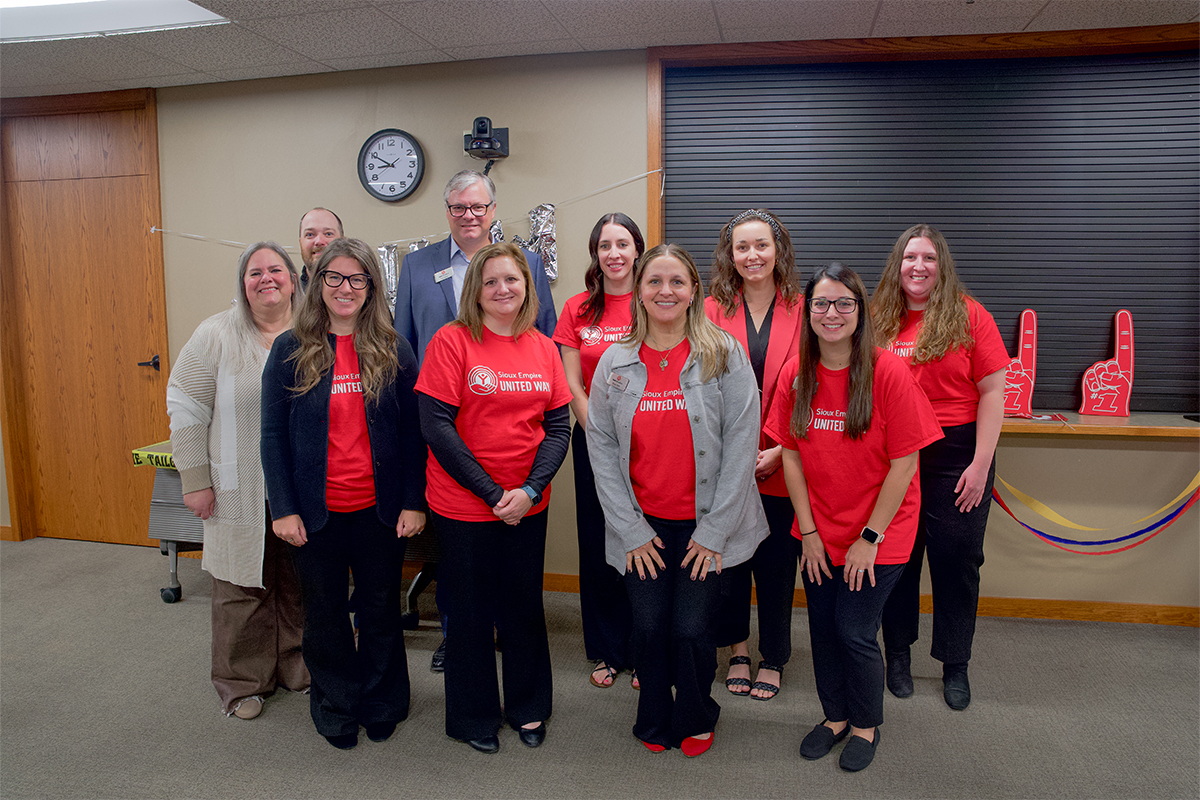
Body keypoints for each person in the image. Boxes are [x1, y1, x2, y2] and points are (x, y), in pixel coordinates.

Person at [587, 244, 768, 757]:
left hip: (707, 526)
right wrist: (630, 528)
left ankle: (695, 713)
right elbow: (600, 445)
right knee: (646, 627)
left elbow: (742, 444)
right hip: (643, 526)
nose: (665, 291)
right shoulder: (615, 363)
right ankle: (654, 715)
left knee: (691, 631)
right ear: (639, 293)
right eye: (654, 282)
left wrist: (713, 533)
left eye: (677, 282)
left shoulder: (723, 354)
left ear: (694, 292)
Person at [763, 263, 941, 772]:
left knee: (853, 628)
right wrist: (810, 534)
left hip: (880, 531)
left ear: (860, 311)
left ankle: (866, 725)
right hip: (821, 528)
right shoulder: (797, 375)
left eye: (844, 303)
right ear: (808, 312)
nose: (832, 313)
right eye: (821, 303)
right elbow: (790, 454)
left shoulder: (887, 373)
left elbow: (906, 462)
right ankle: (835, 716)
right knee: (821, 624)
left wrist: (869, 538)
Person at [261, 238, 427, 751]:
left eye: (357, 279)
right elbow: (271, 436)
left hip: (379, 512)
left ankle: (382, 701)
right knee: (325, 612)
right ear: (317, 283)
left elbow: (413, 434)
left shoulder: (394, 349)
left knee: (380, 609)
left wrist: (414, 500)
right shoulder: (290, 349)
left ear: (371, 287)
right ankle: (335, 704)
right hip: (315, 514)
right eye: (334, 277)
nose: (345, 288)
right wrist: (283, 508)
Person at [393, 169, 558, 672]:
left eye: (479, 207)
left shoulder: (526, 261)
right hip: (441, 427)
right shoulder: (417, 265)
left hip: (514, 433)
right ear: (446, 211)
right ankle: (457, 635)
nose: (470, 216)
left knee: (516, 578)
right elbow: (402, 342)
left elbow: (543, 334)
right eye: (459, 207)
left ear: (493, 211)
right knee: (459, 563)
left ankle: (508, 635)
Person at [415, 242, 572, 755]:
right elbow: (436, 426)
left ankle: (529, 707)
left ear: (528, 286)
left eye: (513, 279)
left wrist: (529, 490)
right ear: (475, 291)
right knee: (470, 611)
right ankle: (472, 715)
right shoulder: (452, 341)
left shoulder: (543, 348)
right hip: (463, 506)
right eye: (491, 281)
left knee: (524, 607)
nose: (503, 289)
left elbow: (557, 426)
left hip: (527, 506)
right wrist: (490, 492)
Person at [167, 241, 309, 721]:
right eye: (255, 272)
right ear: (242, 283)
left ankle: (298, 666)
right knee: (239, 584)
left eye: (276, 270)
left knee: (299, 581)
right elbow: (186, 406)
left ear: (293, 278)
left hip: (302, 485)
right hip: (237, 484)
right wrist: (194, 479)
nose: (266, 279)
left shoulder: (315, 331)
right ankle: (242, 681)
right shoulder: (215, 334)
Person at [873, 225, 1009, 711]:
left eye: (929, 258)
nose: (919, 266)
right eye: (910, 257)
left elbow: (994, 393)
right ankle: (898, 657)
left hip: (958, 454)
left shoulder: (971, 316)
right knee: (898, 561)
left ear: (942, 265)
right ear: (898, 263)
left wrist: (980, 464)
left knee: (957, 563)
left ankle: (956, 664)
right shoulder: (878, 319)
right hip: (896, 456)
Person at [704, 209, 804, 701]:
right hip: (726, 465)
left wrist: (785, 450)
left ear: (778, 250)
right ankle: (738, 649)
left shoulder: (810, 309)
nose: (752, 256)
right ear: (730, 255)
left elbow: (823, 389)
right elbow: (698, 390)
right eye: (742, 247)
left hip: (787, 465)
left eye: (761, 245)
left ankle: (775, 656)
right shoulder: (707, 310)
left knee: (778, 567)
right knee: (731, 563)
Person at [552, 212, 644, 691]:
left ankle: (643, 649)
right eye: (605, 245)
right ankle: (606, 650)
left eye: (622, 244)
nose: (614, 253)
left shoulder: (652, 301)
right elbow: (570, 381)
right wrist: (599, 433)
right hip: (593, 442)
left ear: (636, 250)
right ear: (596, 253)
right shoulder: (576, 310)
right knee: (598, 544)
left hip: (648, 444)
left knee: (642, 542)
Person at [297, 207, 343, 289]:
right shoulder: (290, 299)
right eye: (310, 234)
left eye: (328, 234)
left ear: (342, 241)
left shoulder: (362, 295)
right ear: (300, 242)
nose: (319, 241)